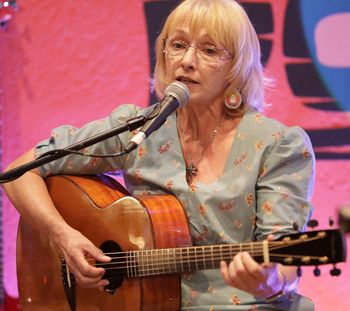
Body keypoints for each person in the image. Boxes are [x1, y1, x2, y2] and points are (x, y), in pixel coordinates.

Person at [3, 0, 316, 310]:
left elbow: (284, 262)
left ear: (237, 66)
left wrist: (270, 281)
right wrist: (64, 237)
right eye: (178, 45)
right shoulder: (139, 130)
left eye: (209, 50)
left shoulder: (278, 144)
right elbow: (20, 173)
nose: (187, 61)